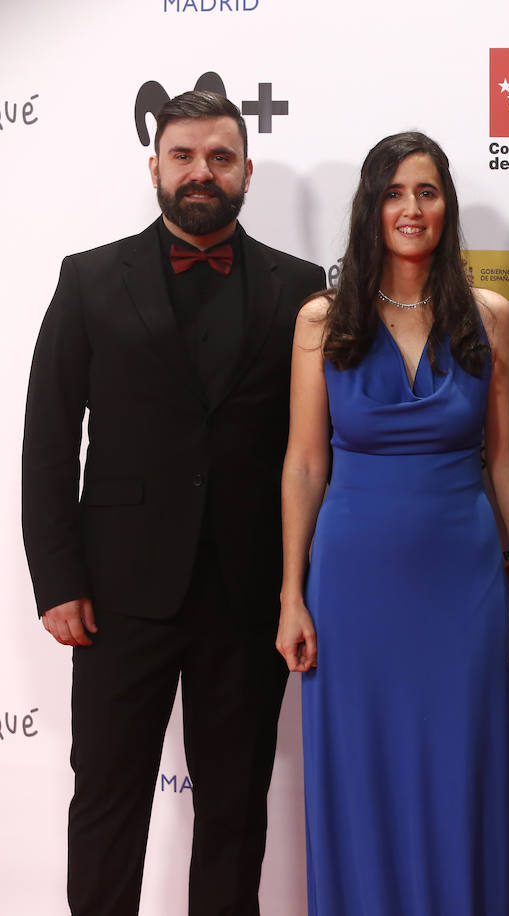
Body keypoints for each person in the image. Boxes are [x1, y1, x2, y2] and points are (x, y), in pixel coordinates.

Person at [20, 90, 323, 915]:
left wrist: (302, 584)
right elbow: (48, 437)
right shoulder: (87, 279)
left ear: (247, 172)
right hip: (118, 598)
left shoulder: (302, 290)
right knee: (109, 803)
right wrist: (56, 578)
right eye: (184, 155)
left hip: (247, 592)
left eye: (220, 157)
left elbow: (311, 453)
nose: (201, 172)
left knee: (234, 812)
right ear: (154, 165)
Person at [274, 131, 509, 915]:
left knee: (460, 772)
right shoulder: (323, 319)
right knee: (360, 775)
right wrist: (293, 593)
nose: (412, 208)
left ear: (447, 206)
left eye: (427, 192)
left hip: (462, 586)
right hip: (353, 587)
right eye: (394, 192)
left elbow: (505, 461)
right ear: (370, 208)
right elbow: (303, 464)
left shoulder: (489, 316)